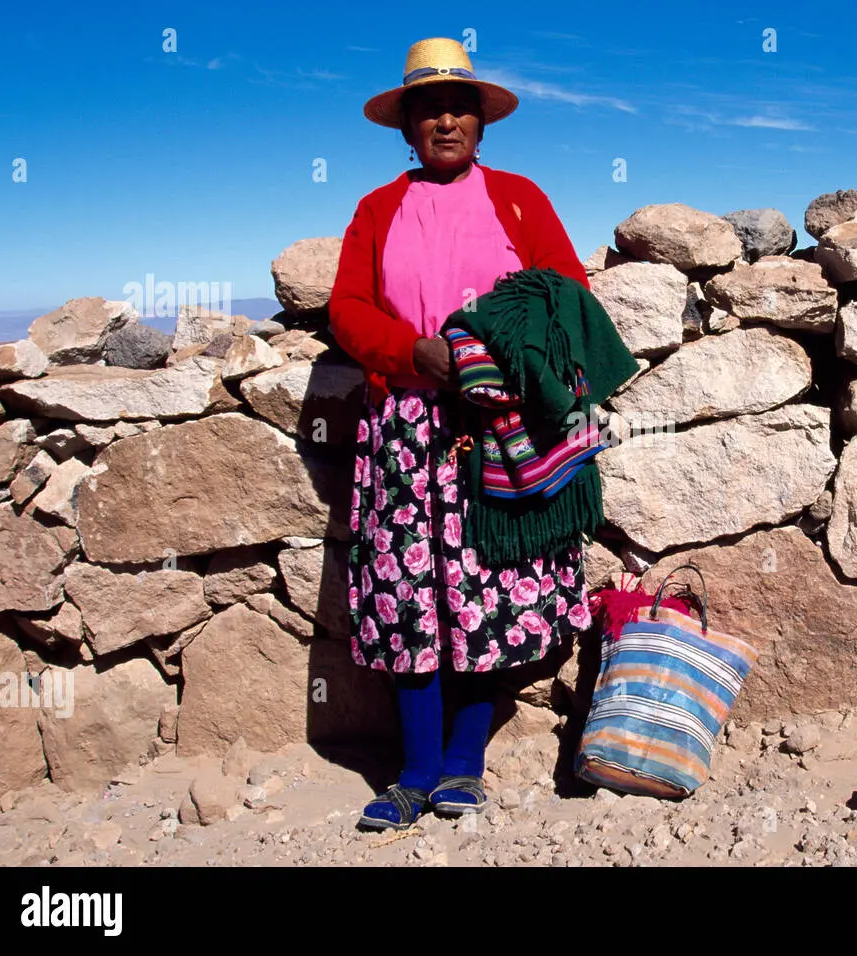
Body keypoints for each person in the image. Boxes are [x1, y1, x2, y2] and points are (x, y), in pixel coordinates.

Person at [328, 37, 594, 829]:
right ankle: (410, 770)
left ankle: (462, 764)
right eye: (428, 110)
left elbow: (566, 290)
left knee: (487, 584)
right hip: (406, 426)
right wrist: (412, 350)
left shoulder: (519, 198)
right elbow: (347, 308)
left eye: (459, 108)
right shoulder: (378, 209)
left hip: (501, 422)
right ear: (407, 128)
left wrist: (500, 347)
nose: (445, 121)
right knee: (409, 592)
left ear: (480, 125)